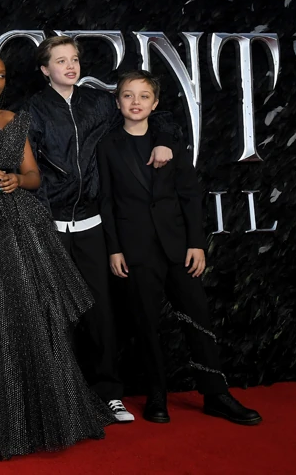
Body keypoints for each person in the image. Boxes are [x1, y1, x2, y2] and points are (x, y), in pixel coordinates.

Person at [0, 51, 114, 459]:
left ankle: (40, 416)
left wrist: (15, 180)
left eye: (2, 75)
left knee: (31, 315)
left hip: (18, 223)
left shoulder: (14, 119)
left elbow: (34, 176)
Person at [97, 69, 262, 425]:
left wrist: (196, 244)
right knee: (146, 325)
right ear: (117, 101)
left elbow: (189, 195)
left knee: (198, 318)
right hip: (135, 249)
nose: (136, 102)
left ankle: (216, 394)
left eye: (144, 96)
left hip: (178, 247)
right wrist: (114, 249)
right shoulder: (107, 146)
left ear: (155, 103)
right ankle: (157, 396)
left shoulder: (171, 142)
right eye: (128, 95)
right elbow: (106, 202)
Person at [27, 36, 174, 422]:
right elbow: (28, 169)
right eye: (61, 60)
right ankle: (63, 400)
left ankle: (108, 393)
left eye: (74, 59)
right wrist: (43, 222)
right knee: (56, 313)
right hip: (53, 225)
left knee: (100, 312)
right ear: (45, 69)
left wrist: (164, 141)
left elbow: (147, 116)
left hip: (92, 224)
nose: (70, 66)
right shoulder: (32, 110)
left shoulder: (99, 103)